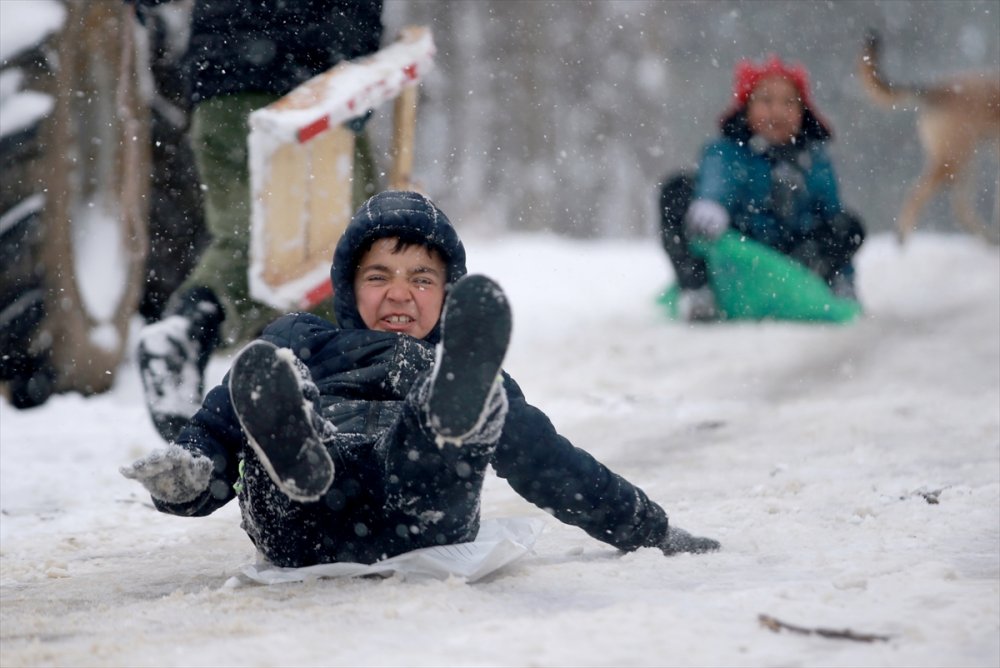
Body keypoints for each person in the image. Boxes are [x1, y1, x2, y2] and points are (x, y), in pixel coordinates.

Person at [120, 190, 720, 568]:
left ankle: (441, 421)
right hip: (301, 517)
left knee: (436, 428)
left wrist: (649, 527)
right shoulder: (302, 339)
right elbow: (216, 431)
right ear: (349, 288)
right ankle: (297, 447)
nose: (399, 293)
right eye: (379, 276)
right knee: (283, 398)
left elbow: (549, 463)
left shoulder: (461, 366)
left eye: (422, 278)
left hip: (421, 513)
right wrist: (187, 477)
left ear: (448, 293)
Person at [129, 0, 384, 441]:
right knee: (336, 245)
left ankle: (189, 328)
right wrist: (354, 57)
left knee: (243, 239)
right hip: (310, 84)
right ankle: (334, 398)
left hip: (218, 85)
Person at [659, 55, 866, 322]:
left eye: (789, 103)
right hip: (741, 251)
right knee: (676, 191)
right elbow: (717, 177)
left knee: (848, 227)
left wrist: (843, 275)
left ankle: (823, 286)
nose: (777, 112)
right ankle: (698, 291)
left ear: (803, 112)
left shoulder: (816, 162)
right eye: (766, 101)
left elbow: (831, 214)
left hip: (793, 256)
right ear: (747, 108)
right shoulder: (729, 151)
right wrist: (712, 203)